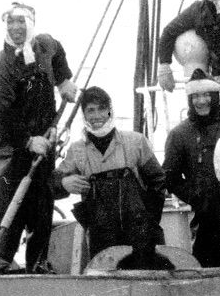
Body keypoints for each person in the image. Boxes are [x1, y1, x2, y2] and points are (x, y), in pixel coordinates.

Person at [0, 2, 77, 273]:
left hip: (45, 140)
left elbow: (58, 54)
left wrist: (63, 81)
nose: (16, 28)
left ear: (32, 23)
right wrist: (27, 141)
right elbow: (3, 116)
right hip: (12, 146)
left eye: (21, 22)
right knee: (9, 197)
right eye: (10, 22)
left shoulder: (45, 45)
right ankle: (2, 259)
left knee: (42, 199)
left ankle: (38, 263)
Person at [58, 86, 165, 268]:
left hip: (141, 232)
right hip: (101, 236)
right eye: (90, 110)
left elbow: (158, 181)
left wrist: (150, 221)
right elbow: (51, 184)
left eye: (101, 109)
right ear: (83, 115)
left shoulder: (136, 142)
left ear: (110, 110)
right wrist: (63, 183)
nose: (97, 115)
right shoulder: (77, 151)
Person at [163, 71, 220, 267]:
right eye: (195, 96)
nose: (201, 101)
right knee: (206, 265)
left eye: (206, 95)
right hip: (205, 216)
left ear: (215, 97)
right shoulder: (179, 134)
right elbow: (170, 177)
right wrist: (196, 196)